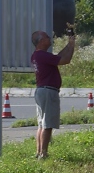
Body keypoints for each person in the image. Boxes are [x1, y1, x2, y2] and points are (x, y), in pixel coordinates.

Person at [31, 25, 75, 159]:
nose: (49, 38)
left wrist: (69, 44)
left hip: (41, 91)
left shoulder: (38, 55)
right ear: (41, 41)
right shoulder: (43, 55)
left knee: (41, 124)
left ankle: (39, 152)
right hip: (48, 91)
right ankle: (43, 154)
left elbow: (58, 57)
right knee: (48, 124)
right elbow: (65, 60)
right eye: (46, 37)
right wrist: (72, 45)